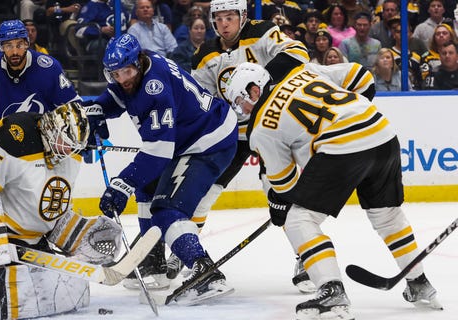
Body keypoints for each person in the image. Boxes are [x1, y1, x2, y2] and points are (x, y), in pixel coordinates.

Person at [224, 61, 442, 320]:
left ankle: (332, 291)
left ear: (254, 90)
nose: (240, 110)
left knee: (299, 219)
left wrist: (279, 207)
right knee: (387, 216)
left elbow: (285, 185)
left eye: (239, 101)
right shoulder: (301, 72)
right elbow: (360, 74)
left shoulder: (261, 127)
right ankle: (419, 283)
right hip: (380, 129)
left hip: (342, 147)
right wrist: (352, 114)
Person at [0, 102, 123, 320]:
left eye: (74, 146)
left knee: (61, 291)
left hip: (33, 241)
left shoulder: (70, 152)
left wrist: (80, 233)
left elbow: (46, 206)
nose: (68, 150)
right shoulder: (16, 138)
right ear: (50, 129)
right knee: (8, 288)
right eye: (65, 143)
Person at [87, 33, 238, 304]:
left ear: (139, 62)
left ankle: (205, 272)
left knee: (168, 209)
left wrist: (121, 184)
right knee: (146, 186)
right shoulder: (144, 68)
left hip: (208, 142)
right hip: (189, 138)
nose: (123, 79)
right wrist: (98, 109)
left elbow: (158, 152)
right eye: (116, 74)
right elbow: (117, 95)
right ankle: (152, 259)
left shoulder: (154, 88)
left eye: (128, 71)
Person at [189, 0, 312, 293]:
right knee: (202, 192)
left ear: (242, 17)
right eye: (219, 18)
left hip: (270, 127)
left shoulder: (262, 32)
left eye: (230, 17)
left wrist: (262, 81)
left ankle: (307, 257)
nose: (225, 23)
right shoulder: (204, 54)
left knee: (281, 192)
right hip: (231, 134)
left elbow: (298, 52)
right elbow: (202, 101)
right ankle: (187, 255)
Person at [0, 19, 81, 122]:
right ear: (1, 47)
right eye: (8, 46)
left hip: (43, 137)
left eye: (19, 45)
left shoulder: (49, 68)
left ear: (27, 44)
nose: (15, 51)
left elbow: (72, 105)